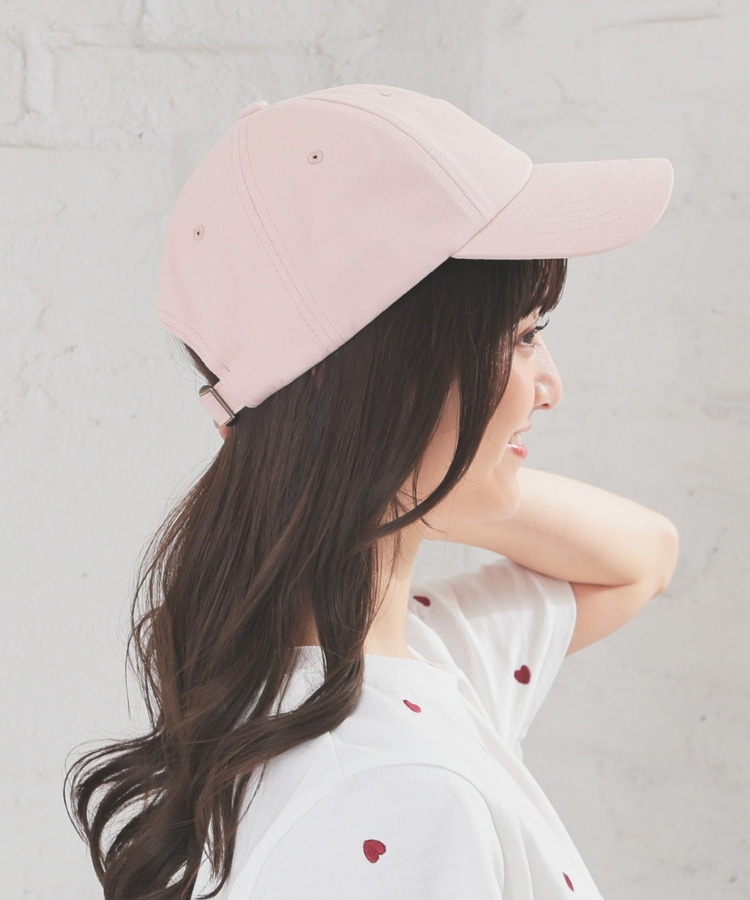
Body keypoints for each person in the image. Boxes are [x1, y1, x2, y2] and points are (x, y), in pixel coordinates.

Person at [65, 84, 680, 899]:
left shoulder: (398, 663)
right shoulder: (396, 790)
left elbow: (644, 557)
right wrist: (405, 477)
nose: (550, 387)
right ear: (383, 381)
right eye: (525, 336)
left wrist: (391, 479)